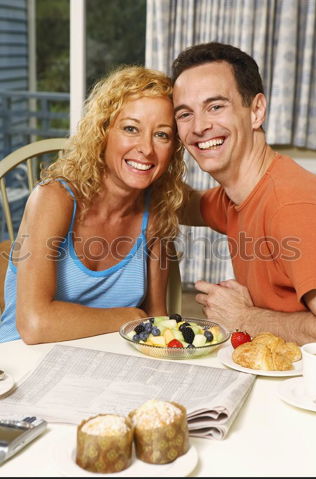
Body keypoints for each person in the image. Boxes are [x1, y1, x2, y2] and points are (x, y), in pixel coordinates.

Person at [0, 66, 186, 344]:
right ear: (103, 132)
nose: (146, 148)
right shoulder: (54, 198)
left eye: (162, 135)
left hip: (100, 365)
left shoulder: (156, 214)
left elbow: (157, 320)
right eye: (131, 129)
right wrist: (129, 317)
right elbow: (34, 324)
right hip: (21, 364)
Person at [172, 41, 316, 345]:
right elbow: (181, 205)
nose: (199, 127)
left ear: (256, 111)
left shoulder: (290, 205)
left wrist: (245, 318)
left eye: (215, 106)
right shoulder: (234, 198)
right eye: (185, 114)